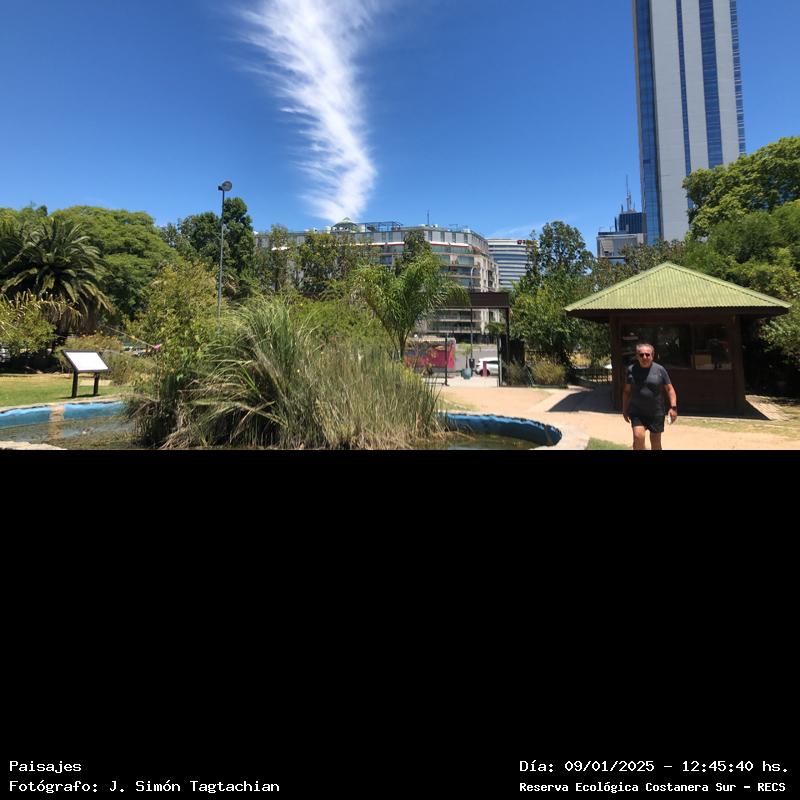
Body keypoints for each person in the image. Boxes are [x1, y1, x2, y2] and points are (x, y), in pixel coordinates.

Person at [622, 343, 678, 451]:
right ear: (637, 356)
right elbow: (626, 391)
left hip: (656, 412)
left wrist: (673, 407)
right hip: (637, 412)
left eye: (647, 354)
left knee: (656, 442)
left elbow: (670, 389)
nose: (644, 357)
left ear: (652, 355)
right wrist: (624, 409)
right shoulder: (631, 370)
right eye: (641, 354)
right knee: (638, 437)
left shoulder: (660, 370)